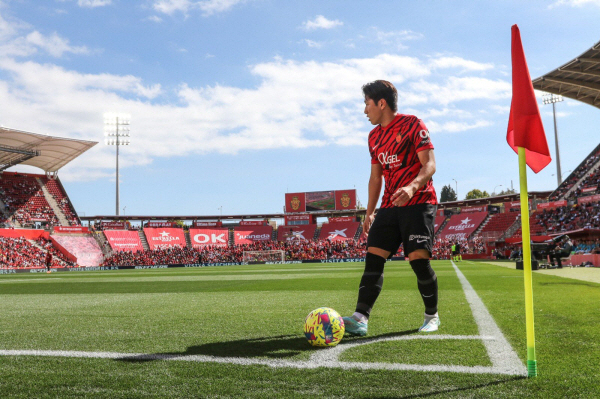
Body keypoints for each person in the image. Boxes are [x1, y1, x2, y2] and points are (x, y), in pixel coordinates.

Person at [343, 80, 439, 336]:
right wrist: (370, 211)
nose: (365, 111)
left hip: (418, 202)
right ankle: (360, 318)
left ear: (381, 103)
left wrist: (412, 187)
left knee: (418, 260)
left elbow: (429, 165)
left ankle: (432, 316)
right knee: (373, 258)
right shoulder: (373, 137)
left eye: (367, 104)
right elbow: (376, 178)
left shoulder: (413, 124)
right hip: (388, 206)